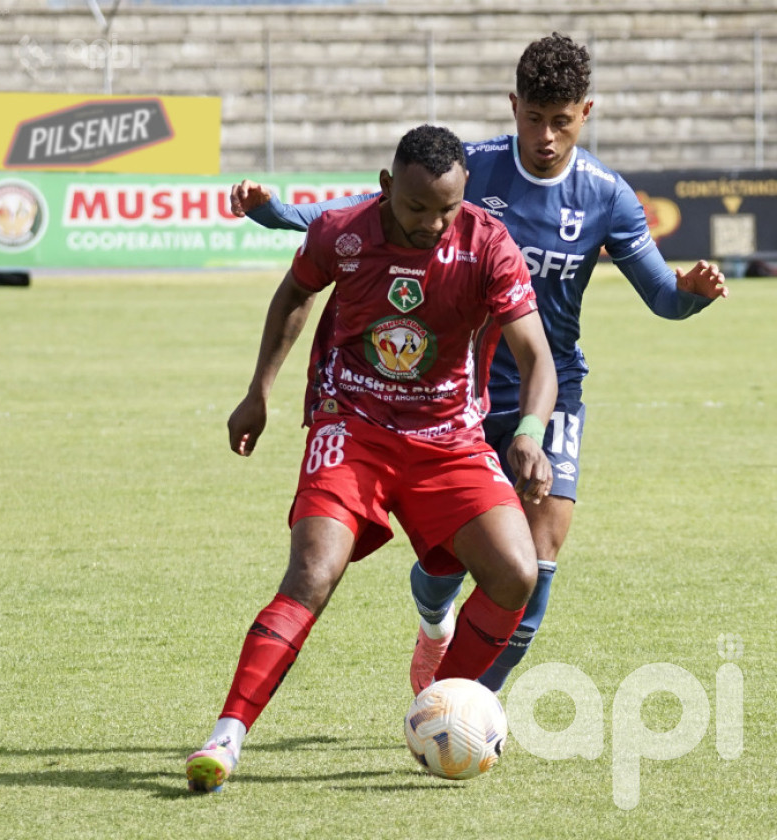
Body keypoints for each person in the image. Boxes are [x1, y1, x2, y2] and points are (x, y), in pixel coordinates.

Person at [228, 33, 729, 697]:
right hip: (455, 397)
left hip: (551, 392)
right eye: (533, 118)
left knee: (536, 564)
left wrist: (690, 295)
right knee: (445, 573)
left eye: (562, 120)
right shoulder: (477, 170)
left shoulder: (607, 196)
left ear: (587, 112)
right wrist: (276, 213)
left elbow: (663, 298)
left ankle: (466, 708)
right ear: (513, 106)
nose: (546, 136)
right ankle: (434, 618)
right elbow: (363, 212)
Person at [186, 124, 557, 792]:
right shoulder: (343, 231)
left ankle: (441, 701)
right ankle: (227, 735)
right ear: (388, 188)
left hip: (449, 439)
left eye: (446, 209)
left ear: (465, 192)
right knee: (312, 572)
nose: (432, 224)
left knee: (515, 573)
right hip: (351, 425)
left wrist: (528, 430)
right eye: (417, 209)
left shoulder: (488, 244)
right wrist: (258, 393)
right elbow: (295, 295)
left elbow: (537, 357)